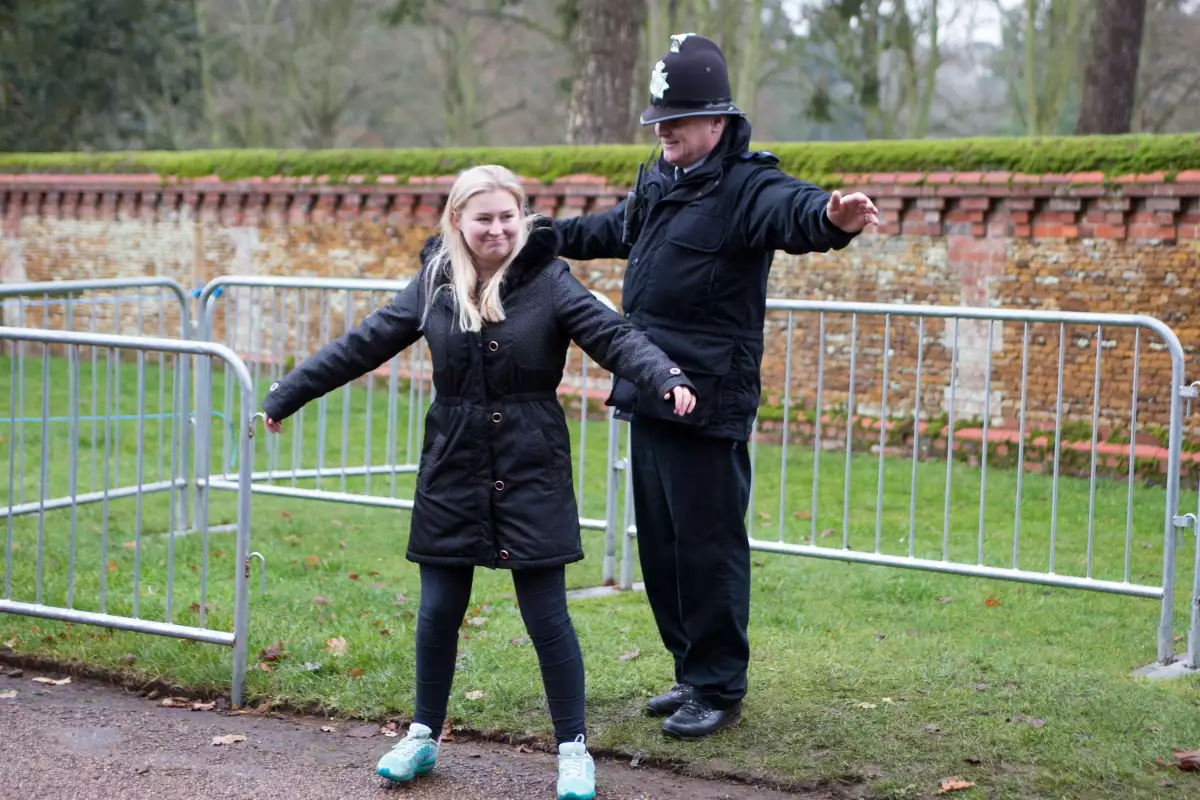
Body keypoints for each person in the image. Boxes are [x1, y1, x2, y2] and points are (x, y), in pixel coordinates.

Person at [260, 164, 697, 800]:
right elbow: (367, 341)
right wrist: (288, 393)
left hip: (531, 463)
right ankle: (421, 736)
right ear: (458, 222)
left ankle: (573, 750)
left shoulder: (550, 280)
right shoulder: (436, 282)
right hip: (452, 464)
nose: (497, 229)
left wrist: (667, 376)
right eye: (483, 218)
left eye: (507, 216)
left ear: (523, 218)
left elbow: (614, 336)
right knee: (438, 610)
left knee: (547, 615)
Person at [552, 33, 879, 741]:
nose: (664, 130)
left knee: (708, 547)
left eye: (679, 118)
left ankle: (720, 686)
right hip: (649, 388)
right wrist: (549, 236)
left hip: (708, 401)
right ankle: (689, 673)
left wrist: (832, 218)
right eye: (659, 119)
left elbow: (793, 212)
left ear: (719, 122)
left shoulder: (744, 184)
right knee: (663, 548)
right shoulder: (661, 179)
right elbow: (619, 229)